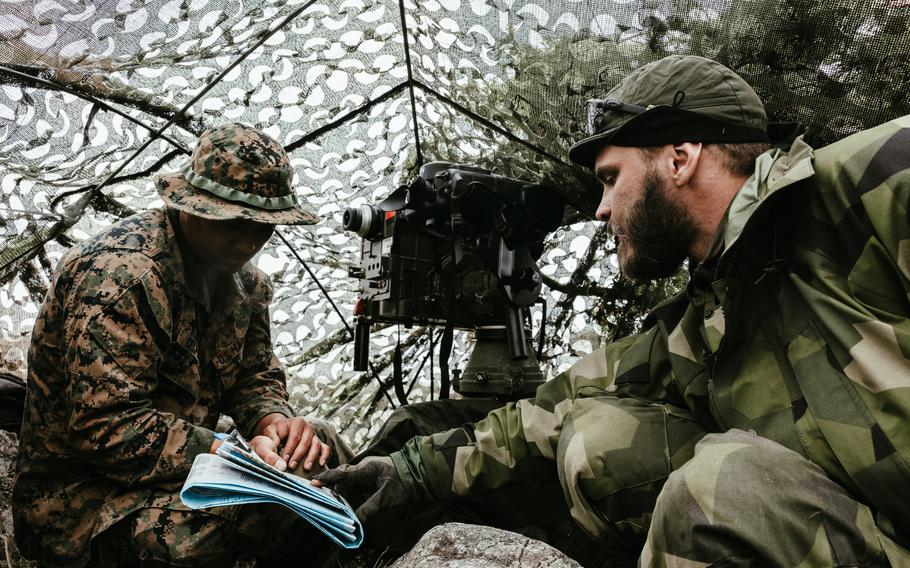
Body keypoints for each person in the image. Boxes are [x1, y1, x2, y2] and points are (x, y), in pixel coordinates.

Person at [317, 55, 910, 566]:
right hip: (864, 535)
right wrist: (409, 471)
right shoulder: (700, 322)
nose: (601, 209)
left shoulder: (867, 184)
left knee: (717, 484)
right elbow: (545, 414)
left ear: (680, 158)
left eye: (610, 178)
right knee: (596, 441)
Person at [13, 123, 353, 567]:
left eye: (264, 226)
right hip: (85, 501)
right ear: (191, 206)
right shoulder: (121, 276)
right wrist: (225, 452)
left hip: (186, 470)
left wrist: (272, 422)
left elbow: (254, 376)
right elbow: (106, 429)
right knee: (255, 521)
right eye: (235, 221)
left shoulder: (245, 284)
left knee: (320, 447)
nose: (249, 241)